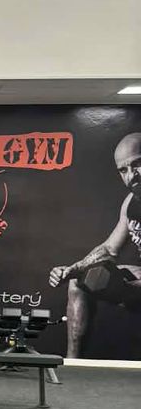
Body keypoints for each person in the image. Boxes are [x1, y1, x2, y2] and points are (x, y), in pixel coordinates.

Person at [48, 133, 141, 357]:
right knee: (79, 282)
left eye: (137, 164)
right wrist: (74, 269)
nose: (132, 176)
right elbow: (109, 249)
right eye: (123, 170)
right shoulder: (131, 203)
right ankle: (73, 365)